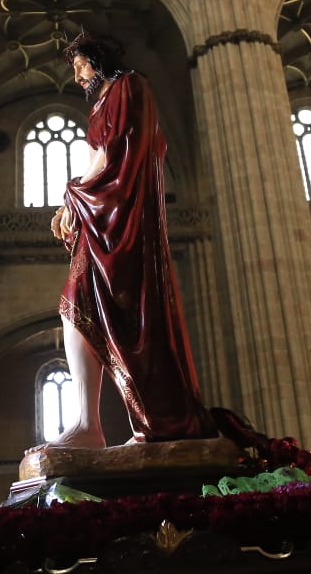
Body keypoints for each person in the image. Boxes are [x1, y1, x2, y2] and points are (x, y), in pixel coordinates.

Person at [40, 32, 216, 448]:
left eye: (81, 64)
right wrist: (72, 200)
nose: (78, 76)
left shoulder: (130, 86)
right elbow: (97, 157)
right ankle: (87, 424)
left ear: (99, 59)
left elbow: (120, 152)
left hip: (120, 220)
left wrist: (74, 196)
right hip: (97, 217)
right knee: (75, 308)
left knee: (111, 312)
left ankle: (134, 423)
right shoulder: (99, 105)